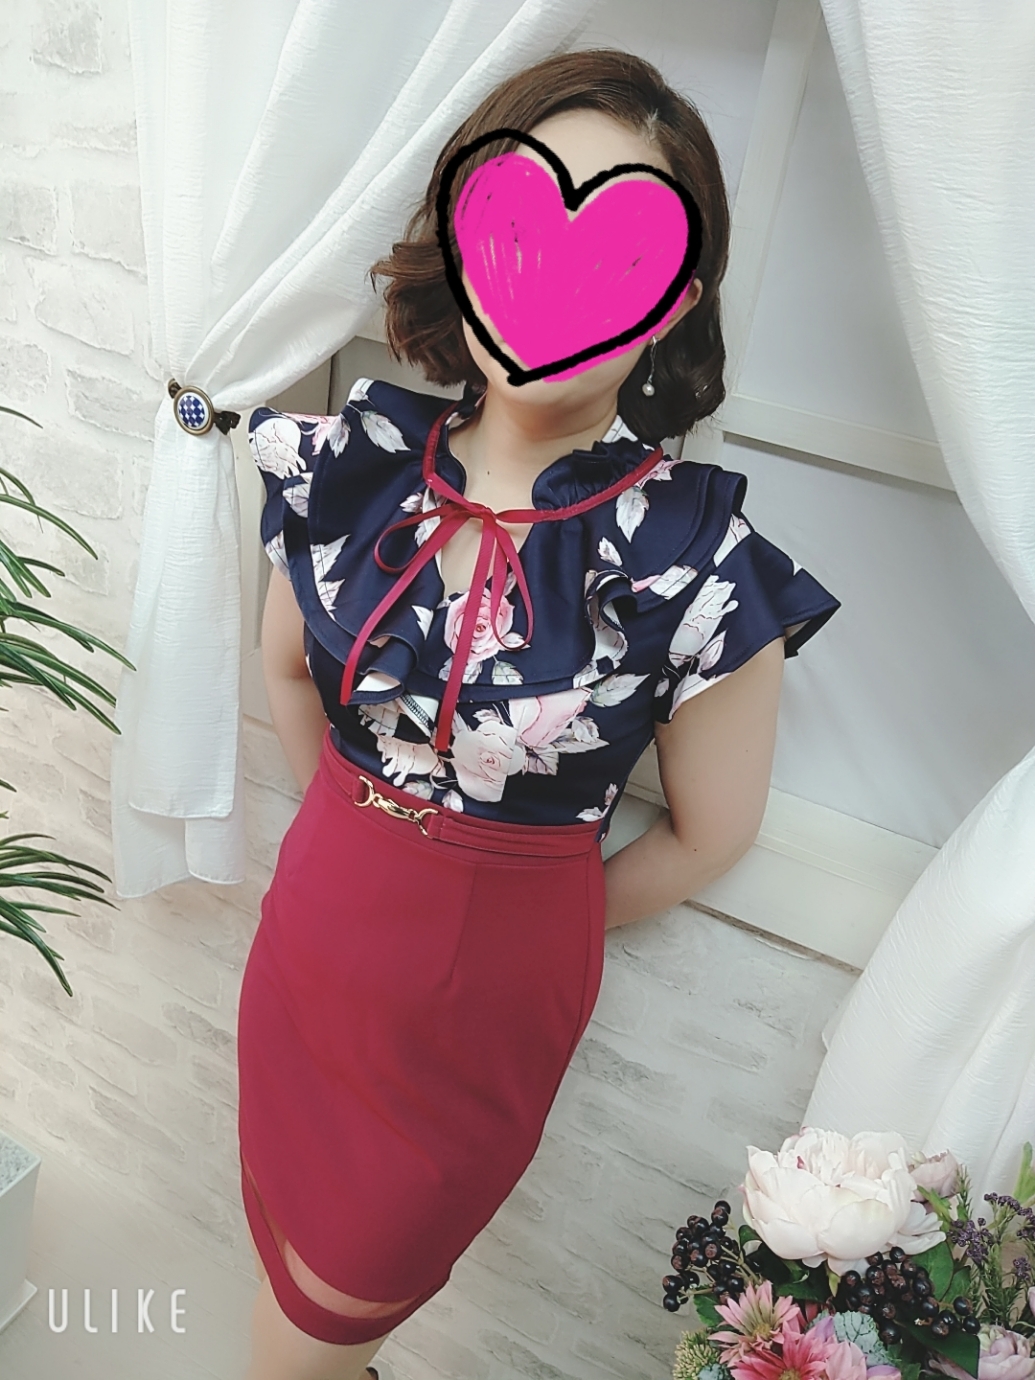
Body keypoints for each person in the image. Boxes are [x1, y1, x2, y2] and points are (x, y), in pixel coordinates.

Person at [235, 47, 840, 1380]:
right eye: (522, 221)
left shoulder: (695, 557)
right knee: (288, 1268)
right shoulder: (355, 466)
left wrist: (516, 912)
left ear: (672, 300)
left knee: (318, 1324)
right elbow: (283, 672)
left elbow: (711, 833)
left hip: (483, 1017)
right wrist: (357, 831)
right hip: (308, 944)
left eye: (614, 247)